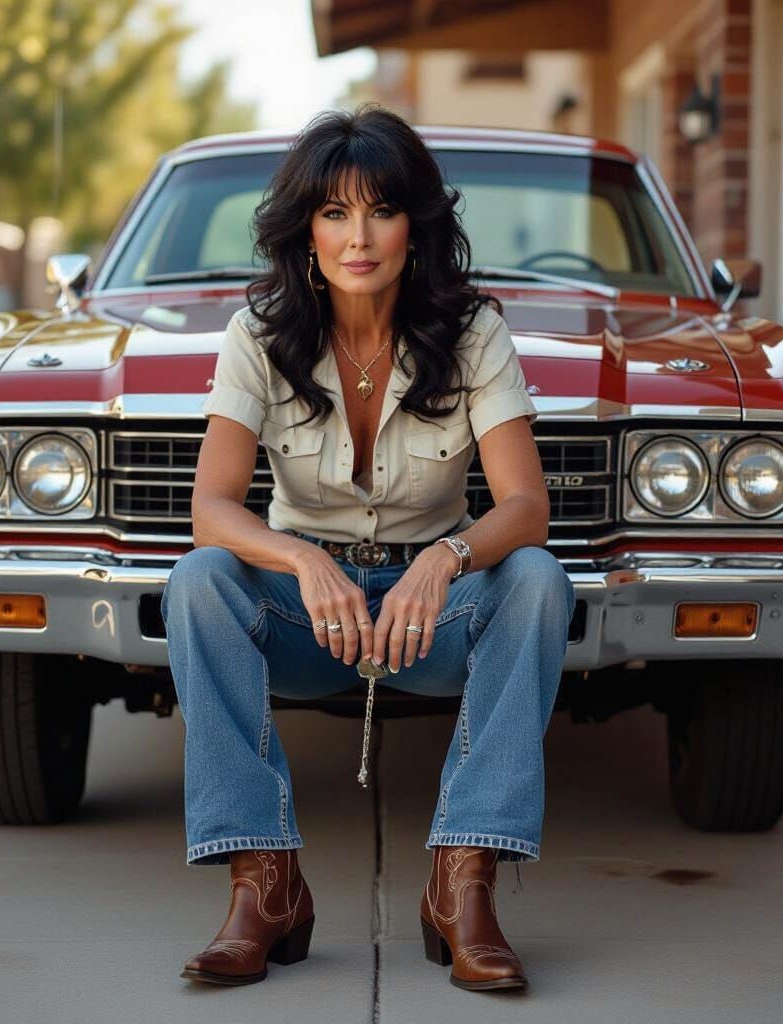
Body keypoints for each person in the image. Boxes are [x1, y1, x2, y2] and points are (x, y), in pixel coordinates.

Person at [161, 103, 575, 992]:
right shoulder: (259, 337)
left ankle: (462, 883)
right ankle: (262, 886)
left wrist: (445, 560)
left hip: (431, 617)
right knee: (199, 580)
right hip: (306, 616)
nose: (359, 237)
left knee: (537, 579)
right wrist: (303, 561)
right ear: (305, 229)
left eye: (381, 210)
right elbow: (212, 508)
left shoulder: (472, 334)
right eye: (335, 212)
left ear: (415, 228)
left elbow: (525, 506)